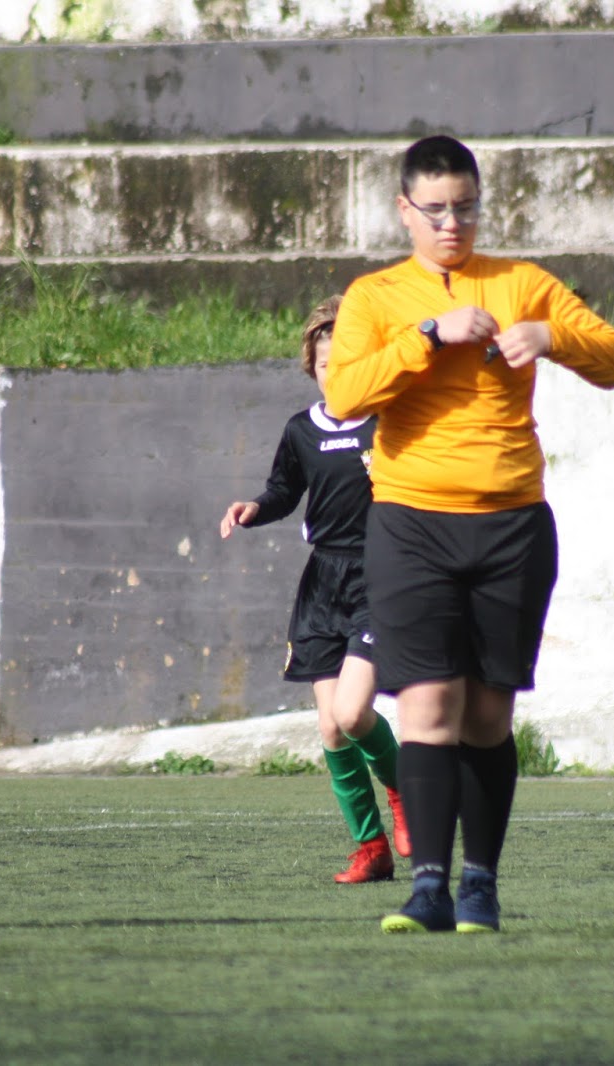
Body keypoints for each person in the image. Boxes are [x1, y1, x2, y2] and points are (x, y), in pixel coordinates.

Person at [324, 134, 614, 934]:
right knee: (427, 706)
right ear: (405, 210)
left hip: (511, 526)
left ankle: (480, 886)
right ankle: (427, 887)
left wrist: (552, 339)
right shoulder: (374, 296)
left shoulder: (523, 283)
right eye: (435, 210)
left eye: (465, 208)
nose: (451, 224)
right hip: (410, 525)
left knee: (489, 717)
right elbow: (346, 395)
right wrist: (428, 336)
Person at [219, 295, 410, 884]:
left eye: (348, 361)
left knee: (353, 714)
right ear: (313, 367)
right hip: (322, 583)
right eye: (327, 363)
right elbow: (284, 490)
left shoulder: (390, 422)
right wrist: (255, 507)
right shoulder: (301, 430)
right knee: (330, 727)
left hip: (379, 578)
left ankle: (406, 793)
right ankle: (371, 848)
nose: (336, 372)